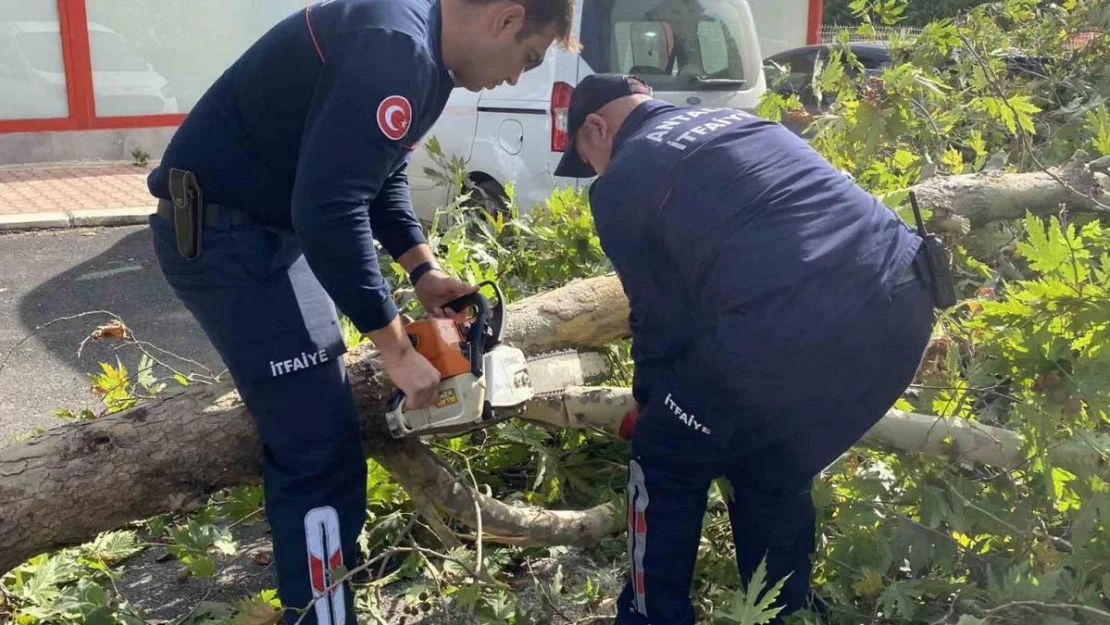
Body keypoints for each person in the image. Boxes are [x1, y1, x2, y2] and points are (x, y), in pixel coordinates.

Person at [146, 1, 577, 623]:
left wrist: (422, 269)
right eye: (528, 59)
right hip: (226, 239)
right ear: (506, 18)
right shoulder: (395, 47)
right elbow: (329, 207)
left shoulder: (427, 55)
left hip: (270, 232)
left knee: (324, 422)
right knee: (317, 447)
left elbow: (379, 174)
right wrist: (396, 350)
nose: (517, 77)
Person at [553, 74, 941, 624]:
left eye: (587, 157)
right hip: (905, 304)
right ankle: (786, 611)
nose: (594, 170)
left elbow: (660, 319)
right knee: (769, 450)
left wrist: (654, 405)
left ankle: (650, 616)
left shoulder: (624, 176)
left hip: (791, 326)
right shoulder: (743, 122)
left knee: (664, 451)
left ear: (596, 126)